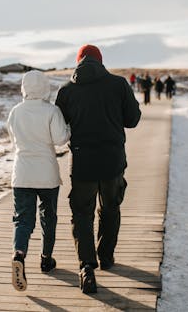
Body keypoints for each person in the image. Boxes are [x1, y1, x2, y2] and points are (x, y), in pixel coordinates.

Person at [55, 45, 141, 294]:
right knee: (110, 208)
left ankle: (86, 267)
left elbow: (61, 128)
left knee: (82, 214)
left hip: (82, 162)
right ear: (100, 61)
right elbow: (132, 120)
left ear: (78, 61)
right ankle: (106, 257)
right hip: (112, 160)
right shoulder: (119, 84)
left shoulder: (67, 90)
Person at [6, 70, 70, 292]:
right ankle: (46, 258)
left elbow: (12, 139)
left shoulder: (16, 112)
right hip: (46, 174)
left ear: (24, 87)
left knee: (23, 220)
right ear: (45, 87)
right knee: (48, 216)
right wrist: (69, 129)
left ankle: (19, 254)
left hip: (22, 173)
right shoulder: (51, 111)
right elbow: (61, 139)